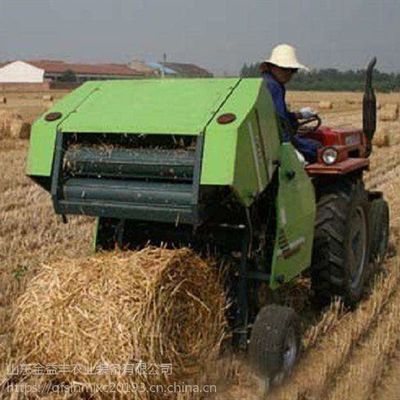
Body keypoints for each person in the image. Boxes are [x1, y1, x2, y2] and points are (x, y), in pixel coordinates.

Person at [261, 44, 322, 163]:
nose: (289, 74)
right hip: (279, 141)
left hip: (270, 138)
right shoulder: (273, 86)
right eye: (285, 69)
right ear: (272, 67)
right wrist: (289, 149)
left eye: (293, 70)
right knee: (317, 148)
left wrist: (299, 115)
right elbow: (280, 121)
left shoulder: (264, 82)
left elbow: (276, 115)